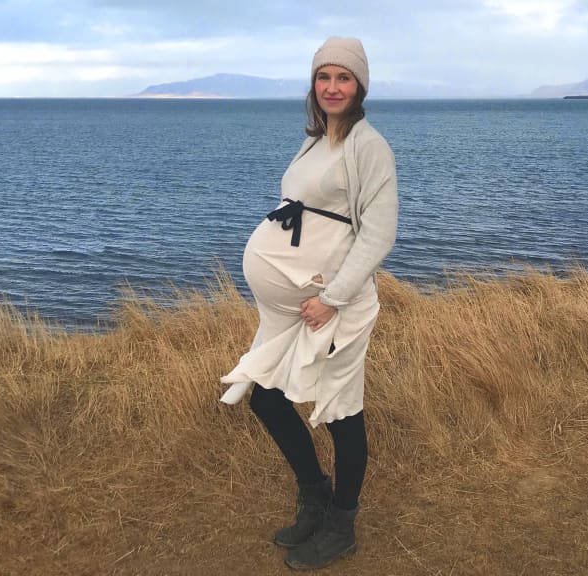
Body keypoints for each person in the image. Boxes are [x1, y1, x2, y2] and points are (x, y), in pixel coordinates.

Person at [219, 36, 398, 571]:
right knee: (267, 400)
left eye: (344, 78)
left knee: (342, 413)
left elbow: (378, 233)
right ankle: (314, 493)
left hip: (335, 305)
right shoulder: (315, 142)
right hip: (291, 309)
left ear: (360, 86)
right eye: (324, 77)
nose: (333, 87)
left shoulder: (369, 146)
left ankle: (341, 524)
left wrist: (332, 298)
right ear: (314, 85)